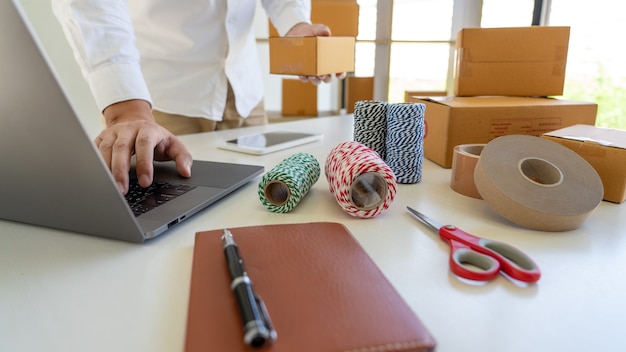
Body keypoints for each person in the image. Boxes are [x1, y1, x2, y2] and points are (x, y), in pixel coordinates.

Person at [52, 0, 344, 195]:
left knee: (254, 201)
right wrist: (126, 108)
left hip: (245, 91)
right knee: (167, 210)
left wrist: (295, 24)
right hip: (162, 102)